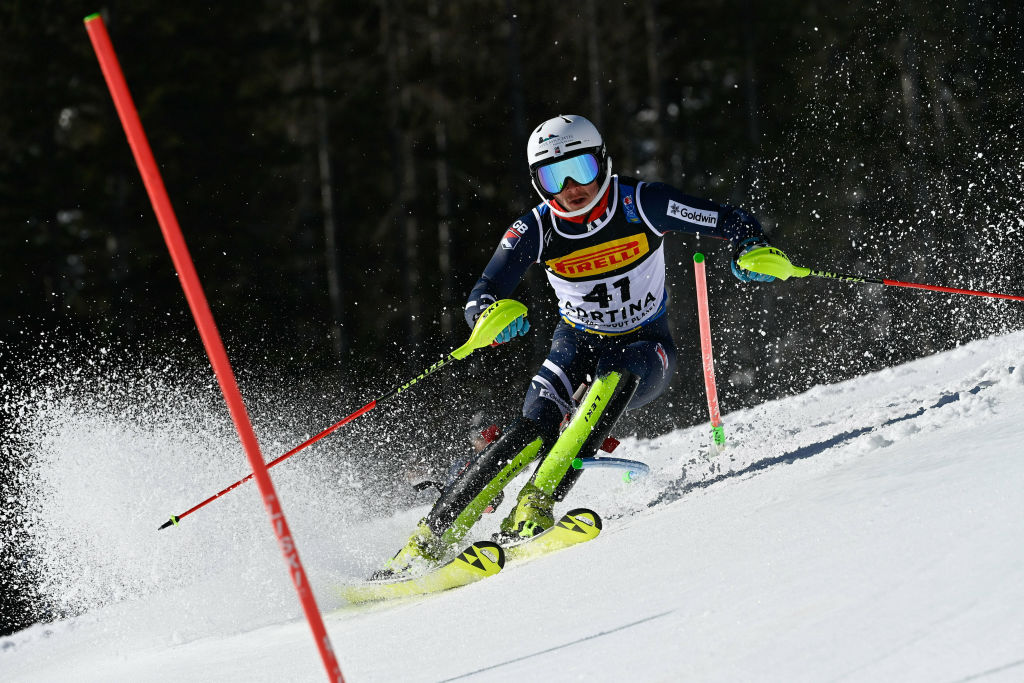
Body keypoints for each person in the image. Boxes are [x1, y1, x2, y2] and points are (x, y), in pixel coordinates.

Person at [376, 114, 790, 577]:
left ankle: (534, 507)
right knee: (533, 426)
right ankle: (428, 540)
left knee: (616, 376)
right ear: (538, 183)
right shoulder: (534, 228)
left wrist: (749, 248)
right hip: (575, 343)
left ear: (603, 163)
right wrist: (492, 318)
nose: (572, 187)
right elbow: (483, 292)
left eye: (583, 170)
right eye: (555, 177)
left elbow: (730, 219)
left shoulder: (640, 203)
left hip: (645, 347)